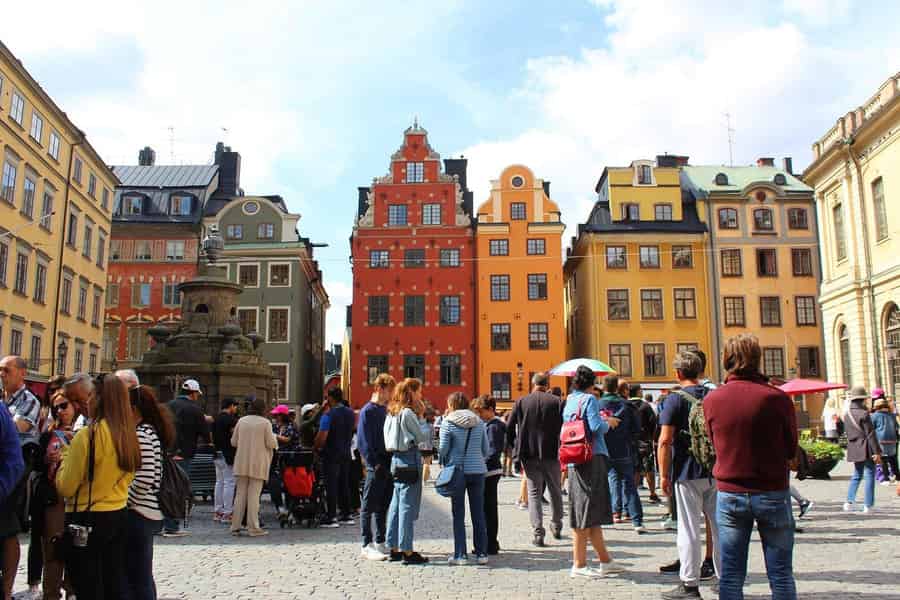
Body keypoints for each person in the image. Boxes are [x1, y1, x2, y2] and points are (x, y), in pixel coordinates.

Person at [705, 334, 798, 600]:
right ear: (757, 360)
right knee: (780, 574)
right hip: (772, 491)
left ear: (727, 360)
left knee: (732, 575)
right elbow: (791, 447)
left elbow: (714, 444)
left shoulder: (713, 400)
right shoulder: (776, 398)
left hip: (731, 492)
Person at [56, 375, 141, 600]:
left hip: (87, 518)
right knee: (113, 584)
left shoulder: (88, 436)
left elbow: (66, 486)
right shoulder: (128, 434)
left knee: (88, 585)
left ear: (99, 399)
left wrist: (64, 457)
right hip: (118, 513)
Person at [658, 351, 721, 599]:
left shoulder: (675, 400)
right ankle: (726, 579)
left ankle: (690, 584)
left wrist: (664, 475)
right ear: (700, 371)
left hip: (686, 471)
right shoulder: (715, 396)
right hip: (715, 470)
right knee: (719, 528)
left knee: (689, 528)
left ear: (678, 373)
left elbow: (665, 440)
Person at [562, 365, 624, 579]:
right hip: (591, 456)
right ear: (590, 383)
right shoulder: (589, 400)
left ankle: (606, 561)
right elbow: (596, 427)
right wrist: (610, 422)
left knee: (591, 510)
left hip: (574, 457)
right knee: (586, 510)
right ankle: (579, 564)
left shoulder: (569, 401)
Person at [125, 385, 175, 600]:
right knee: (140, 574)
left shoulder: (143, 433)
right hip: (145, 511)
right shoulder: (148, 431)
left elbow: (146, 478)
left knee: (138, 575)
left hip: (140, 512)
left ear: (134, 408)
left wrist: (126, 501)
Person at [505, 372, 564, 547]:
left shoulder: (521, 402)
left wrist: (515, 446)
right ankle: (556, 524)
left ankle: (538, 532)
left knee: (534, 494)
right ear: (547, 385)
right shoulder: (557, 402)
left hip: (528, 454)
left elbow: (509, 427)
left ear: (533, 384)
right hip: (552, 453)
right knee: (555, 490)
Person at [32, 383, 78, 600]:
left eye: (64, 406)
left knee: (77, 549)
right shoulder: (48, 435)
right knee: (52, 549)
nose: (60, 411)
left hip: (79, 499)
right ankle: (50, 593)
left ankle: (72, 590)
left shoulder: (85, 433)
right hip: (55, 499)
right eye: (55, 408)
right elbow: (37, 468)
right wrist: (45, 460)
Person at [1, 355, 41, 600]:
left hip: (15, 469)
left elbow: (18, 429)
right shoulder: (3, 400)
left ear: (22, 374)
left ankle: (6, 588)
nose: (2, 374)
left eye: (7, 370)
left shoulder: (29, 400)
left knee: (8, 529)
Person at [383, 378, 429, 565]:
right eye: (418, 391)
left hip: (395, 459)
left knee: (395, 505)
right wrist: (423, 418)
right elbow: (421, 437)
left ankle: (393, 547)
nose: (421, 395)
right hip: (409, 459)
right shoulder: (408, 413)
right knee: (407, 507)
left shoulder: (391, 413)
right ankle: (407, 551)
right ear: (411, 392)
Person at [440, 392, 489, 566]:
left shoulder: (448, 422)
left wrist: (444, 461)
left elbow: (443, 448)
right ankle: (482, 553)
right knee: (478, 513)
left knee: (458, 513)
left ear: (451, 405)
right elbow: (486, 449)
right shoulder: (480, 423)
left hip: (457, 472)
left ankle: (461, 555)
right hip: (477, 471)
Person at [597, 375, 645, 534]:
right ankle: (637, 520)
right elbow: (637, 429)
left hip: (604, 449)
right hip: (624, 448)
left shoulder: (598, 404)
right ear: (617, 388)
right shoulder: (627, 405)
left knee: (608, 480)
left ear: (603, 387)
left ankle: (611, 514)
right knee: (630, 484)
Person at [164, 378, 210, 537]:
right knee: (179, 488)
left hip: (166, 453)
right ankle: (172, 525)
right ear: (194, 393)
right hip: (184, 454)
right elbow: (204, 433)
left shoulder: (168, 406)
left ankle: (161, 523)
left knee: (164, 487)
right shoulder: (195, 410)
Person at [357, 373, 395, 561]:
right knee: (368, 505)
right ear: (379, 388)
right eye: (389, 391)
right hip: (377, 464)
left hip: (388, 462)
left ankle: (380, 540)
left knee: (383, 505)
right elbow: (363, 441)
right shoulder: (368, 411)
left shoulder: (385, 410)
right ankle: (366, 544)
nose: (391, 395)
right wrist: (374, 463)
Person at [230, 396, 277, 537]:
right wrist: (275, 438)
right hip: (258, 463)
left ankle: (235, 526)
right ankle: (253, 527)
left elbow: (233, 442)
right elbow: (271, 443)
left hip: (242, 462)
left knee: (240, 495)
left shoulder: (241, 421)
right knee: (254, 497)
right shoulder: (265, 423)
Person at [315, 387, 356, 527]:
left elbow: (322, 436)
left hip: (331, 453)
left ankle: (331, 516)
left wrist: (317, 446)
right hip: (345, 451)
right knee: (344, 483)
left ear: (330, 398)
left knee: (331, 484)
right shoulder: (350, 413)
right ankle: (346, 514)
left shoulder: (328, 415)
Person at [472, 394, 505, 555]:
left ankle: (491, 542)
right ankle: (490, 542)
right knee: (487, 508)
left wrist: (481, 464)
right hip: (488, 470)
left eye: (482, 411)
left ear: (491, 410)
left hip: (490, 471)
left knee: (489, 508)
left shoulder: (494, 426)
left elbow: (493, 451)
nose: (480, 415)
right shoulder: (489, 424)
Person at [842, 386, 882, 513]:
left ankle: (849, 501)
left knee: (857, 475)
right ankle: (868, 505)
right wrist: (877, 452)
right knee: (870, 474)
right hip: (865, 447)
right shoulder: (864, 413)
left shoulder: (846, 414)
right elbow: (870, 434)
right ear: (862, 400)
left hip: (853, 447)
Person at [629, 383, 660, 503]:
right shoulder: (645, 406)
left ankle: (634, 494)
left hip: (631, 442)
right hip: (645, 442)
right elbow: (654, 424)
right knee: (649, 469)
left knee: (634, 470)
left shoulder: (626, 405)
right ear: (638, 392)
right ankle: (652, 493)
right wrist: (653, 438)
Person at [212, 399, 239, 524]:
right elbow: (235, 436)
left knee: (219, 482)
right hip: (228, 454)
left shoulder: (216, 418)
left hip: (217, 453)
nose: (236, 409)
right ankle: (228, 513)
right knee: (229, 483)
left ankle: (218, 511)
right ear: (231, 406)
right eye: (235, 406)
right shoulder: (231, 420)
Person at [270, 404, 298, 517]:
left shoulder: (291, 426)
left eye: (277, 415)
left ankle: (290, 507)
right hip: (276, 459)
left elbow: (288, 439)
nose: (275, 417)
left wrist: (274, 436)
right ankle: (279, 507)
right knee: (274, 483)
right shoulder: (275, 426)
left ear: (282, 415)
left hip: (289, 459)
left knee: (288, 484)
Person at [871, 397, 898, 483]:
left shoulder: (874, 415)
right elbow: (896, 427)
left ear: (876, 407)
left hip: (881, 439)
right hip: (893, 439)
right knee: (893, 459)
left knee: (883, 459)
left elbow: (871, 428)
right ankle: (897, 477)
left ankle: (886, 478)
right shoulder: (892, 415)